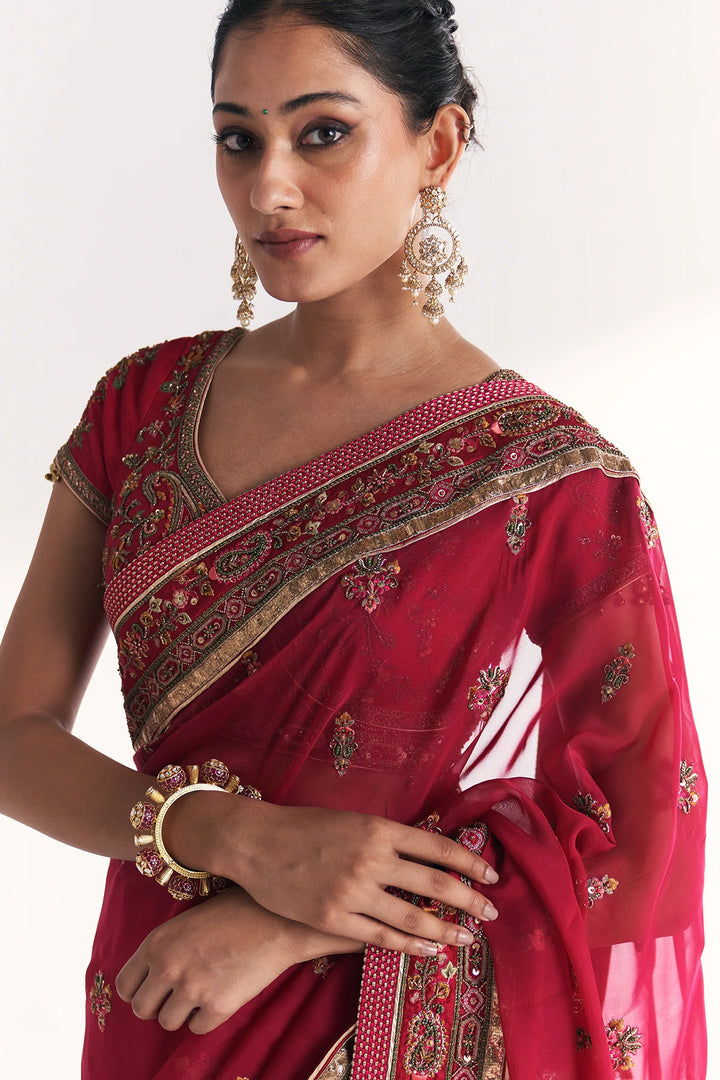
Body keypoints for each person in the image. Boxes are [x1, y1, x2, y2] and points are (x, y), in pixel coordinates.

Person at [0, 1, 706, 1077]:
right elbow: (12, 736)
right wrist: (233, 840)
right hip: (154, 1002)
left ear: (438, 144)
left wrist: (298, 919)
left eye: (321, 132)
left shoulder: (551, 476)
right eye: (238, 137)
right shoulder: (138, 408)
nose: (267, 186)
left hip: (357, 1027)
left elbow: (638, 836)